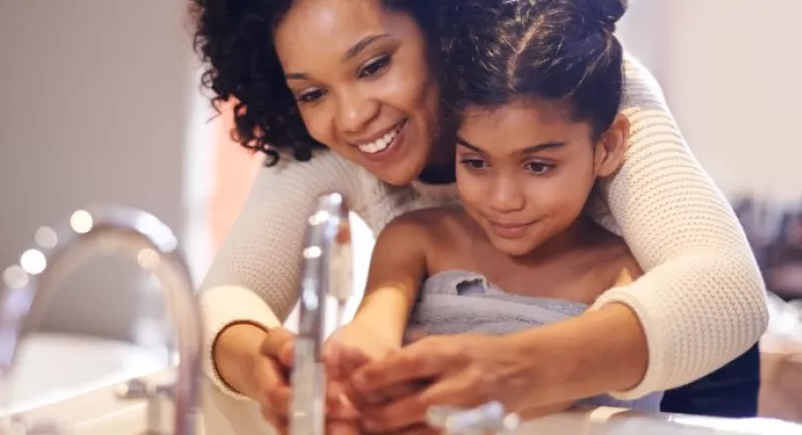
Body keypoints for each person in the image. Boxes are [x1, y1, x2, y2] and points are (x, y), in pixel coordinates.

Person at [189, 0, 766, 432]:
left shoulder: (571, 80)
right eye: (312, 93)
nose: (353, 115)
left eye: (373, 66)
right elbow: (227, 297)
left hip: (673, 358)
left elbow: (728, 292)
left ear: (440, 28)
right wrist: (265, 367)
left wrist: (519, 369)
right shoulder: (324, 151)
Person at [327, 0, 664, 430]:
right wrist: (353, 368)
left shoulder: (624, 273)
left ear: (609, 147)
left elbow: (590, 387)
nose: (503, 199)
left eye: (538, 166)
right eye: (476, 163)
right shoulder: (417, 241)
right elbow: (372, 329)